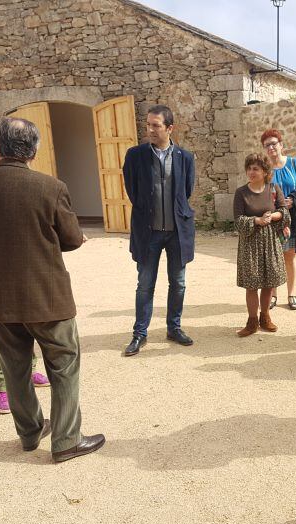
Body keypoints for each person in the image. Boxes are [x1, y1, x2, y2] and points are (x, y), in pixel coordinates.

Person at [0, 117, 105, 463]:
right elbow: (70, 239)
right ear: (34, 150)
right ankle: (67, 440)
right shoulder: (51, 187)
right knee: (64, 364)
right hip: (47, 295)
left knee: (15, 368)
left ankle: (29, 432)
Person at [0, 141, 50, 415]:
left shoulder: (20, 184)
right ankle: (3, 387)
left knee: (29, 323)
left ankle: (31, 369)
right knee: (7, 330)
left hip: (25, 267)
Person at [122, 105, 196, 356]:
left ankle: (173, 328)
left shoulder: (185, 158)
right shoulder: (135, 155)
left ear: (169, 128)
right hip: (148, 231)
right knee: (145, 284)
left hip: (177, 231)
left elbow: (185, 192)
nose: (150, 130)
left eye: (156, 125)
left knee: (178, 283)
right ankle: (139, 333)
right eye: (148, 125)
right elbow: (132, 190)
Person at [233, 153, 290, 337]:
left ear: (265, 171)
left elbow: (284, 213)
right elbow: (238, 220)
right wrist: (257, 220)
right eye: (249, 168)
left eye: (255, 168)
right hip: (250, 243)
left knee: (268, 283)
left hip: (270, 241)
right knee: (252, 284)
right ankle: (252, 321)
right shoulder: (241, 193)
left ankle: (265, 317)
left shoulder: (274, 189)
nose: (251, 172)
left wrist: (272, 217)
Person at [261, 129, 296, 310]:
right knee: (273, 258)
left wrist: (295, 198)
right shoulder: (264, 169)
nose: (271, 148)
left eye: (273, 143)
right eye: (267, 145)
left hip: (291, 218)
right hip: (272, 219)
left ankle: (292, 294)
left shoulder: (293, 163)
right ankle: (273, 295)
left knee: (289, 256)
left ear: (281, 145)